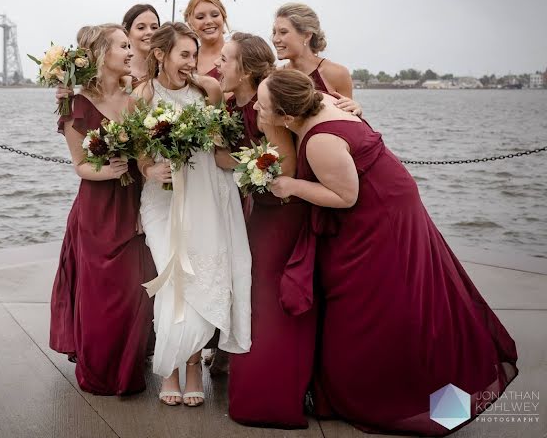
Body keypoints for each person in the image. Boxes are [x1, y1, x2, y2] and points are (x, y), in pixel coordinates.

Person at [257, 69, 518, 435]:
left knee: (372, 306)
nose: (256, 106)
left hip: (379, 218)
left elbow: (346, 196)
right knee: (395, 299)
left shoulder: (320, 141)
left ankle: (399, 399)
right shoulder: (324, 99)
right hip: (392, 200)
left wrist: (293, 185)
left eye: (264, 104)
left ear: (287, 117)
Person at [135, 22, 251, 407]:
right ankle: (169, 367)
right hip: (162, 199)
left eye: (193, 54)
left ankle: (192, 365)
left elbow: (219, 145)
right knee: (171, 279)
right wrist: (148, 169)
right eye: (183, 54)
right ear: (159, 55)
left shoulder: (209, 90)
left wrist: (249, 161)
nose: (191, 62)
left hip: (203, 196)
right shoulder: (142, 96)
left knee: (200, 276)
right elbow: (139, 153)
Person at [212, 35, 316, 427]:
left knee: (270, 301)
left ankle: (271, 394)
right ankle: (257, 386)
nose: (218, 66)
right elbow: (229, 156)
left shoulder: (264, 108)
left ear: (246, 70)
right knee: (253, 296)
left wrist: (242, 166)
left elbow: (284, 168)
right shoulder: (229, 104)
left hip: (281, 214)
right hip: (257, 211)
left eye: (225, 60)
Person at [49, 24, 153, 395]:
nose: (131, 51)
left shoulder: (137, 99)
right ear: (100, 55)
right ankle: (99, 371)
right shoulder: (76, 105)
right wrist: (105, 171)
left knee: (133, 291)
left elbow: (148, 155)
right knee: (100, 294)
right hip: (97, 208)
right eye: (123, 46)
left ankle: (131, 365)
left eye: (130, 45)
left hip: (135, 202)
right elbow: (79, 164)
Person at [272, 3, 361, 115]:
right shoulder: (274, 77)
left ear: (307, 35)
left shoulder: (337, 74)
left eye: (283, 32)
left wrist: (355, 110)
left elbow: (349, 121)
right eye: (274, 32)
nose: (275, 39)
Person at [183, 0, 228, 79]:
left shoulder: (240, 54)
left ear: (223, 17)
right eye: (200, 17)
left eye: (215, 15)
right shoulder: (186, 60)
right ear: (190, 23)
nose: (209, 21)